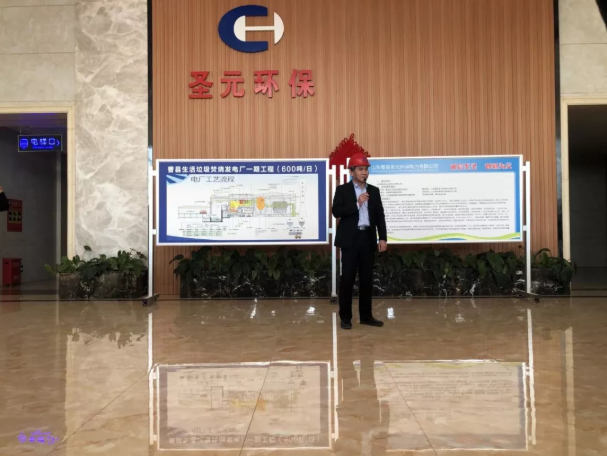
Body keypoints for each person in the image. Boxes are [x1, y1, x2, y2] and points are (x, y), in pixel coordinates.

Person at [332, 153, 387, 329]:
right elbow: (336, 211)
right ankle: (345, 318)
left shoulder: (374, 191)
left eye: (366, 169)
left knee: (366, 279)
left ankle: (366, 316)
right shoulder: (343, 190)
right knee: (347, 279)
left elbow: (379, 216)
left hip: (367, 238)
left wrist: (383, 237)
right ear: (352, 171)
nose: (364, 173)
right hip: (350, 239)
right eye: (361, 169)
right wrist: (357, 204)